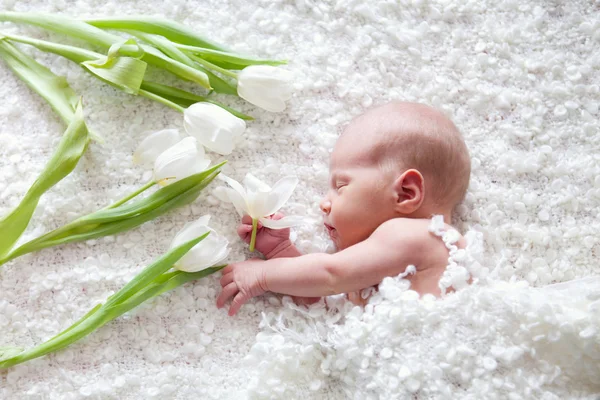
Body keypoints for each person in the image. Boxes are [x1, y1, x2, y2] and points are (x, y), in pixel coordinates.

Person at [216, 101, 471, 316]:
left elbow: (330, 275)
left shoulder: (422, 236)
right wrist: (280, 251)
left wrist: (262, 274)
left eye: (341, 185)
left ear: (405, 194)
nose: (324, 203)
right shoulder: (386, 266)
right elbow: (325, 303)